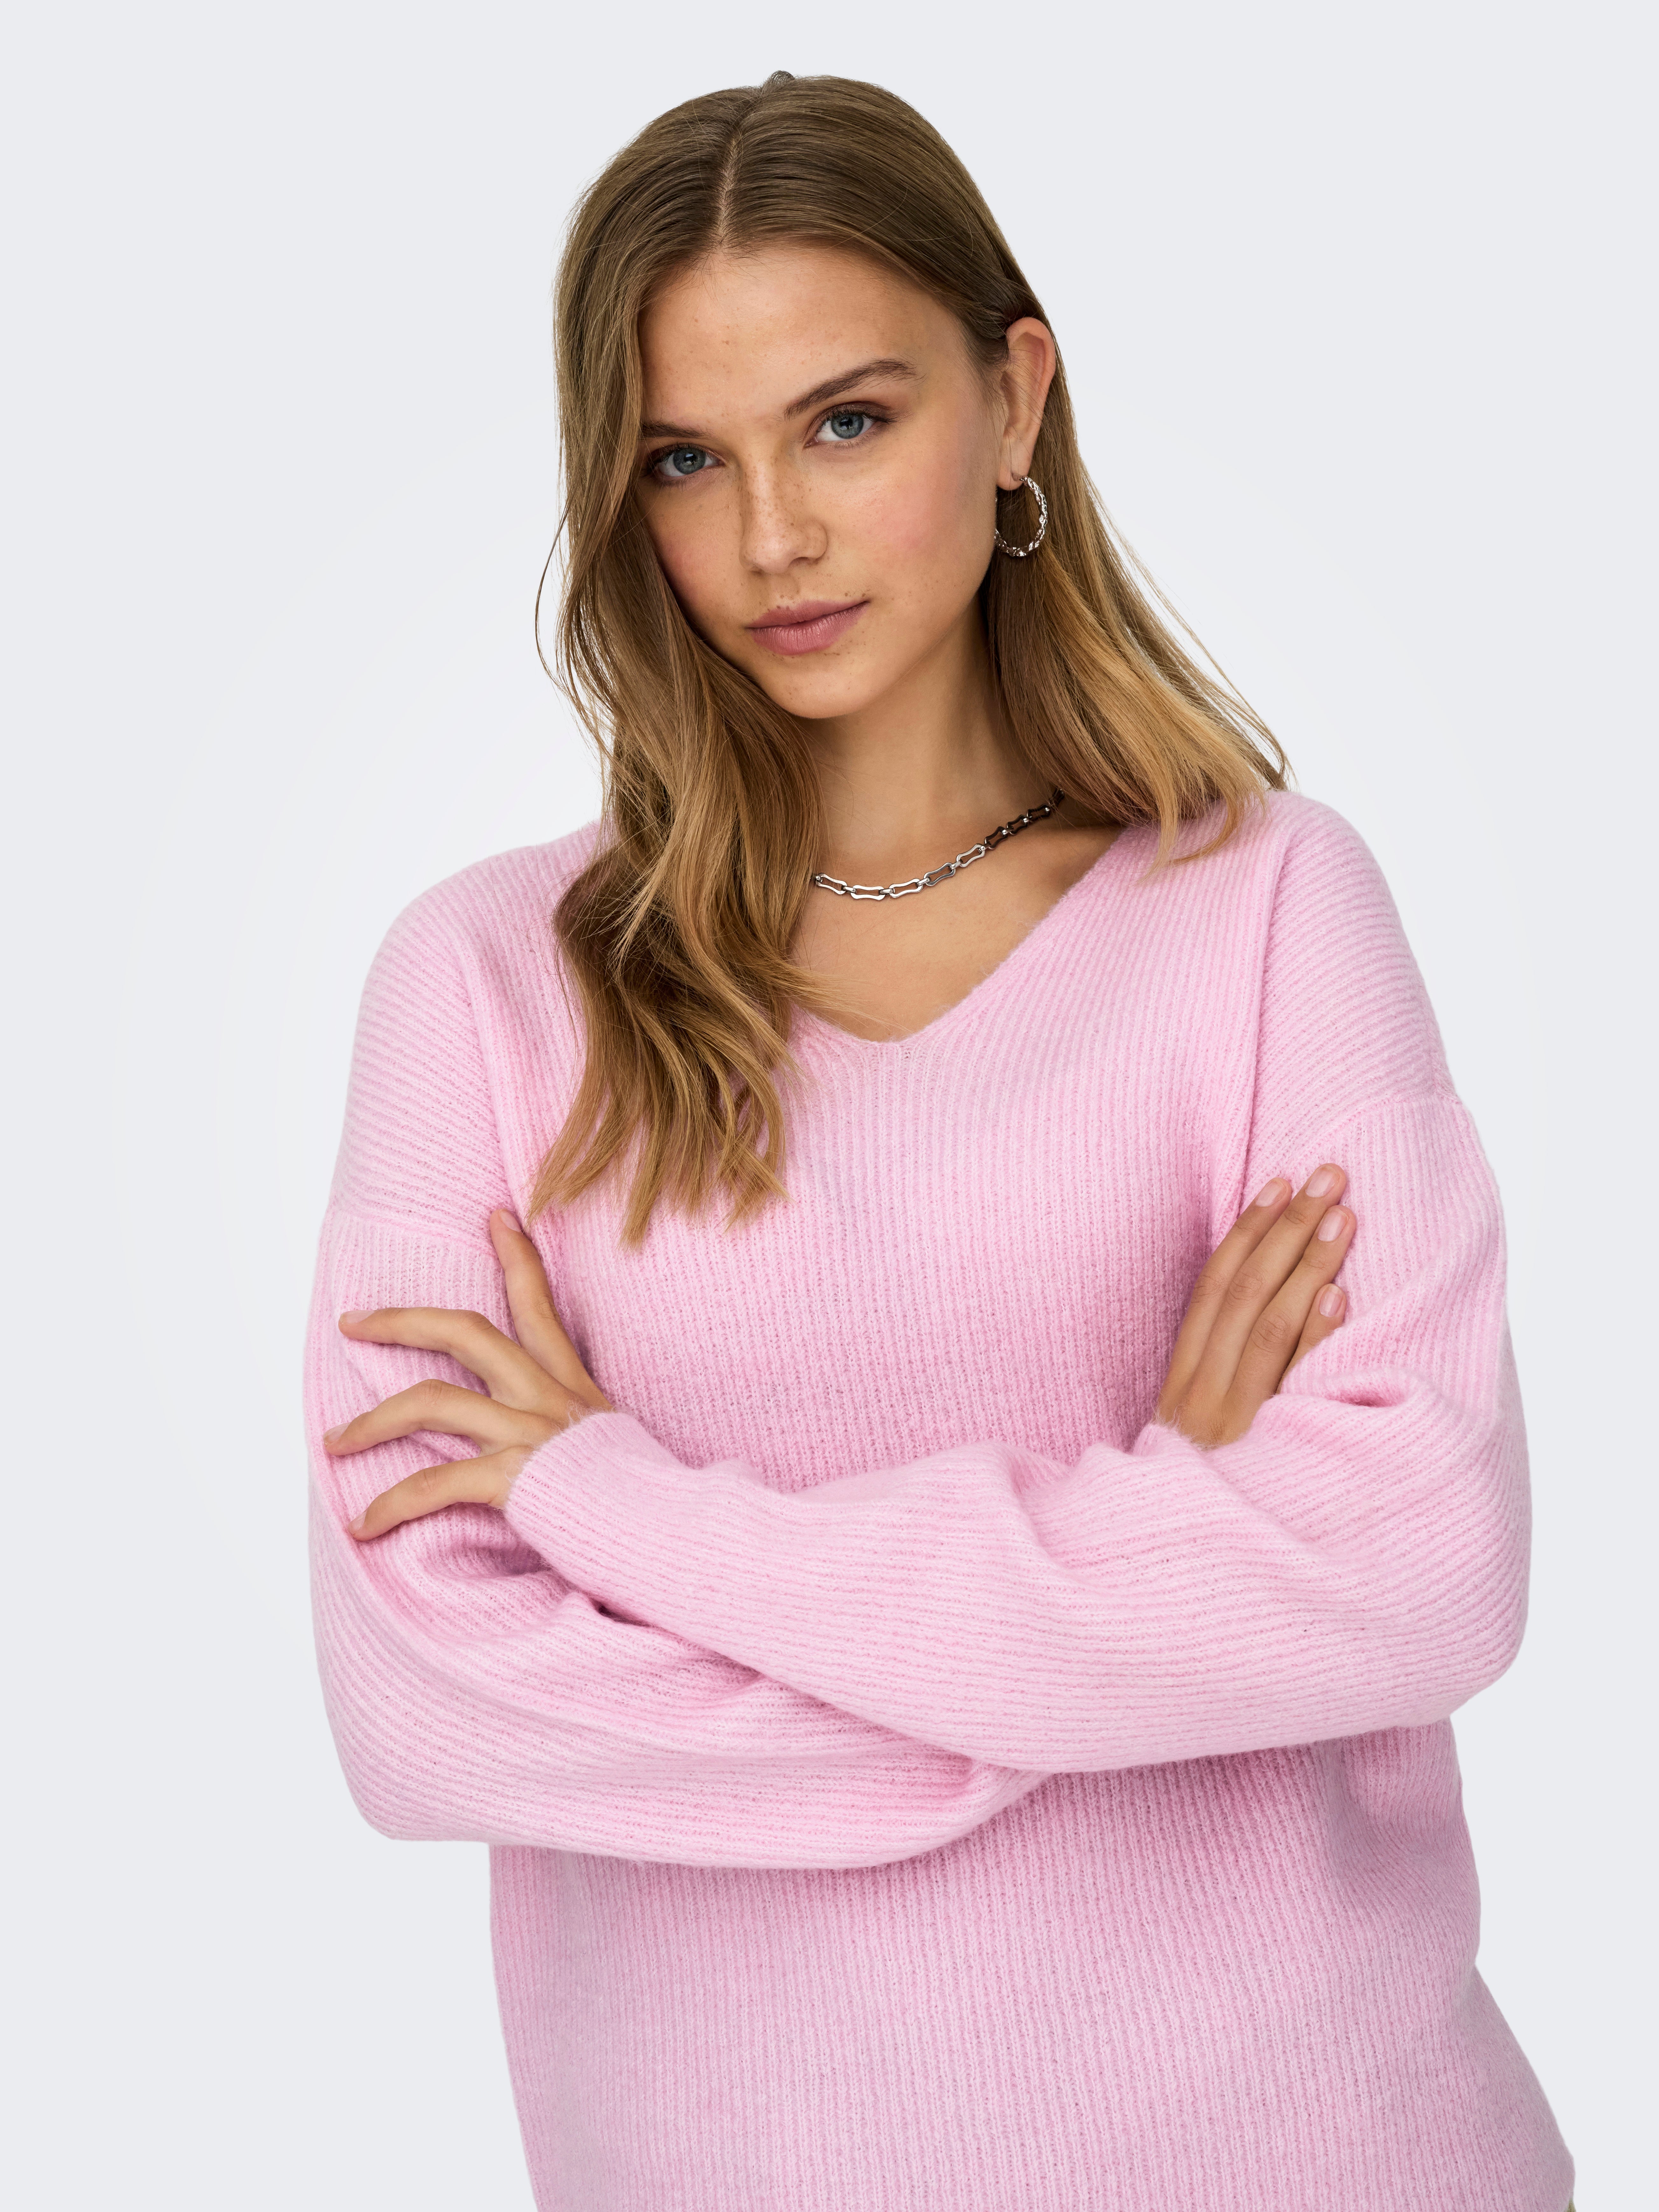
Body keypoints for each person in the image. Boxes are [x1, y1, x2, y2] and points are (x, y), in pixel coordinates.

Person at [307, 71, 1575, 2212]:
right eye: (686, 458)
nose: (770, 537)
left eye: (847, 422)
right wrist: (1148, 1565)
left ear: (1014, 400)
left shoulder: (1269, 913)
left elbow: (1424, 1567)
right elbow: (431, 1716)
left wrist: (613, 1506)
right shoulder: (490, 989)